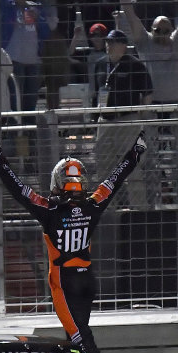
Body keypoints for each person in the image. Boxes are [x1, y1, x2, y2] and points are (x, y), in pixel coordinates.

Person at [0, 131, 147, 353]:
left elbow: (18, 189)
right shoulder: (94, 204)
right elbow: (115, 180)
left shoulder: (47, 210)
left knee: (81, 339)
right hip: (87, 282)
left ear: (57, 182)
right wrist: (135, 152)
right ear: (82, 182)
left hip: (63, 284)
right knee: (77, 338)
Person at [94, 29, 153, 208]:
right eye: (107, 42)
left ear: (123, 46)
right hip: (105, 120)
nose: (108, 46)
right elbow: (96, 91)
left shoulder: (135, 65)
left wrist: (139, 116)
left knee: (131, 167)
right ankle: (106, 207)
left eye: (113, 42)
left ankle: (139, 209)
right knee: (103, 165)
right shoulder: (100, 64)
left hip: (127, 119)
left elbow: (148, 92)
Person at [1, 0, 58, 119]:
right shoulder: (9, 5)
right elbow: (1, 14)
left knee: (31, 102)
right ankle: (14, 134)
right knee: (15, 101)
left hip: (34, 60)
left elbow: (46, 32)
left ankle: (29, 133)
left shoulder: (37, 6)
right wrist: (17, 5)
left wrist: (38, 18)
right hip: (13, 58)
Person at [120, 2, 178, 106]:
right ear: (151, 30)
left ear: (172, 30)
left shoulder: (176, 42)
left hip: (176, 105)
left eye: (166, 31)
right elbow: (130, 15)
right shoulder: (145, 41)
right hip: (152, 105)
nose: (162, 34)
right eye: (158, 30)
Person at [69, 23, 108, 107]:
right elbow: (71, 53)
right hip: (92, 91)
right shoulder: (88, 52)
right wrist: (76, 36)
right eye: (93, 35)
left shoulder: (109, 51)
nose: (96, 38)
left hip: (106, 89)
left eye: (99, 35)